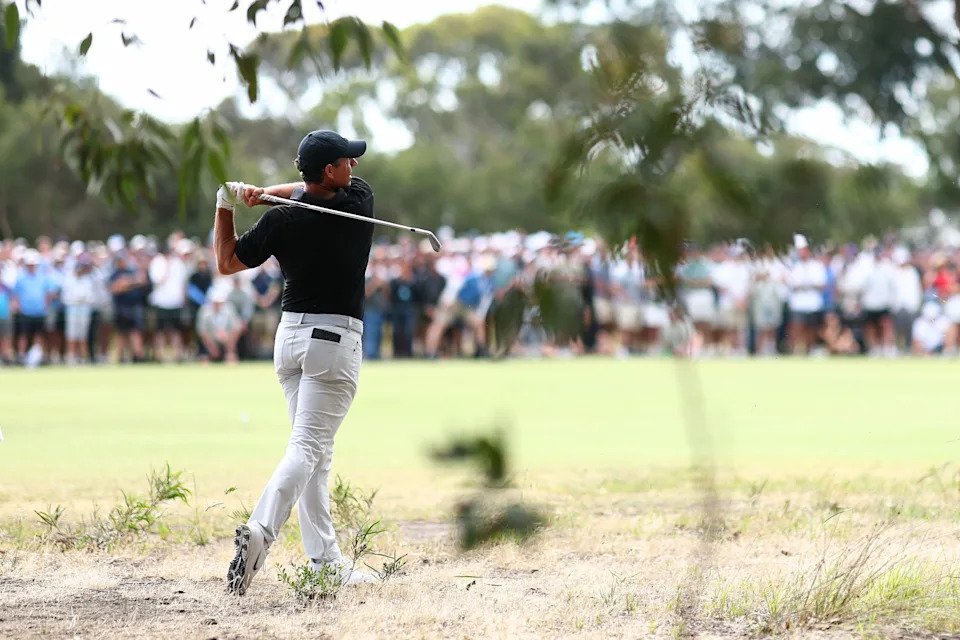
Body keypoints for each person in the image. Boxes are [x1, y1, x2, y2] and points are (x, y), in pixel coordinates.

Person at [216, 129, 377, 596]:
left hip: (290, 340)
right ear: (331, 172)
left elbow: (227, 261)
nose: (355, 168)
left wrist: (229, 203)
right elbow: (307, 196)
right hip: (334, 342)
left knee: (313, 456)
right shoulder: (359, 201)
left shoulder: (282, 221)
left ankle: (325, 561)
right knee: (308, 448)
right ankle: (259, 532)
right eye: (348, 161)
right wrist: (265, 195)